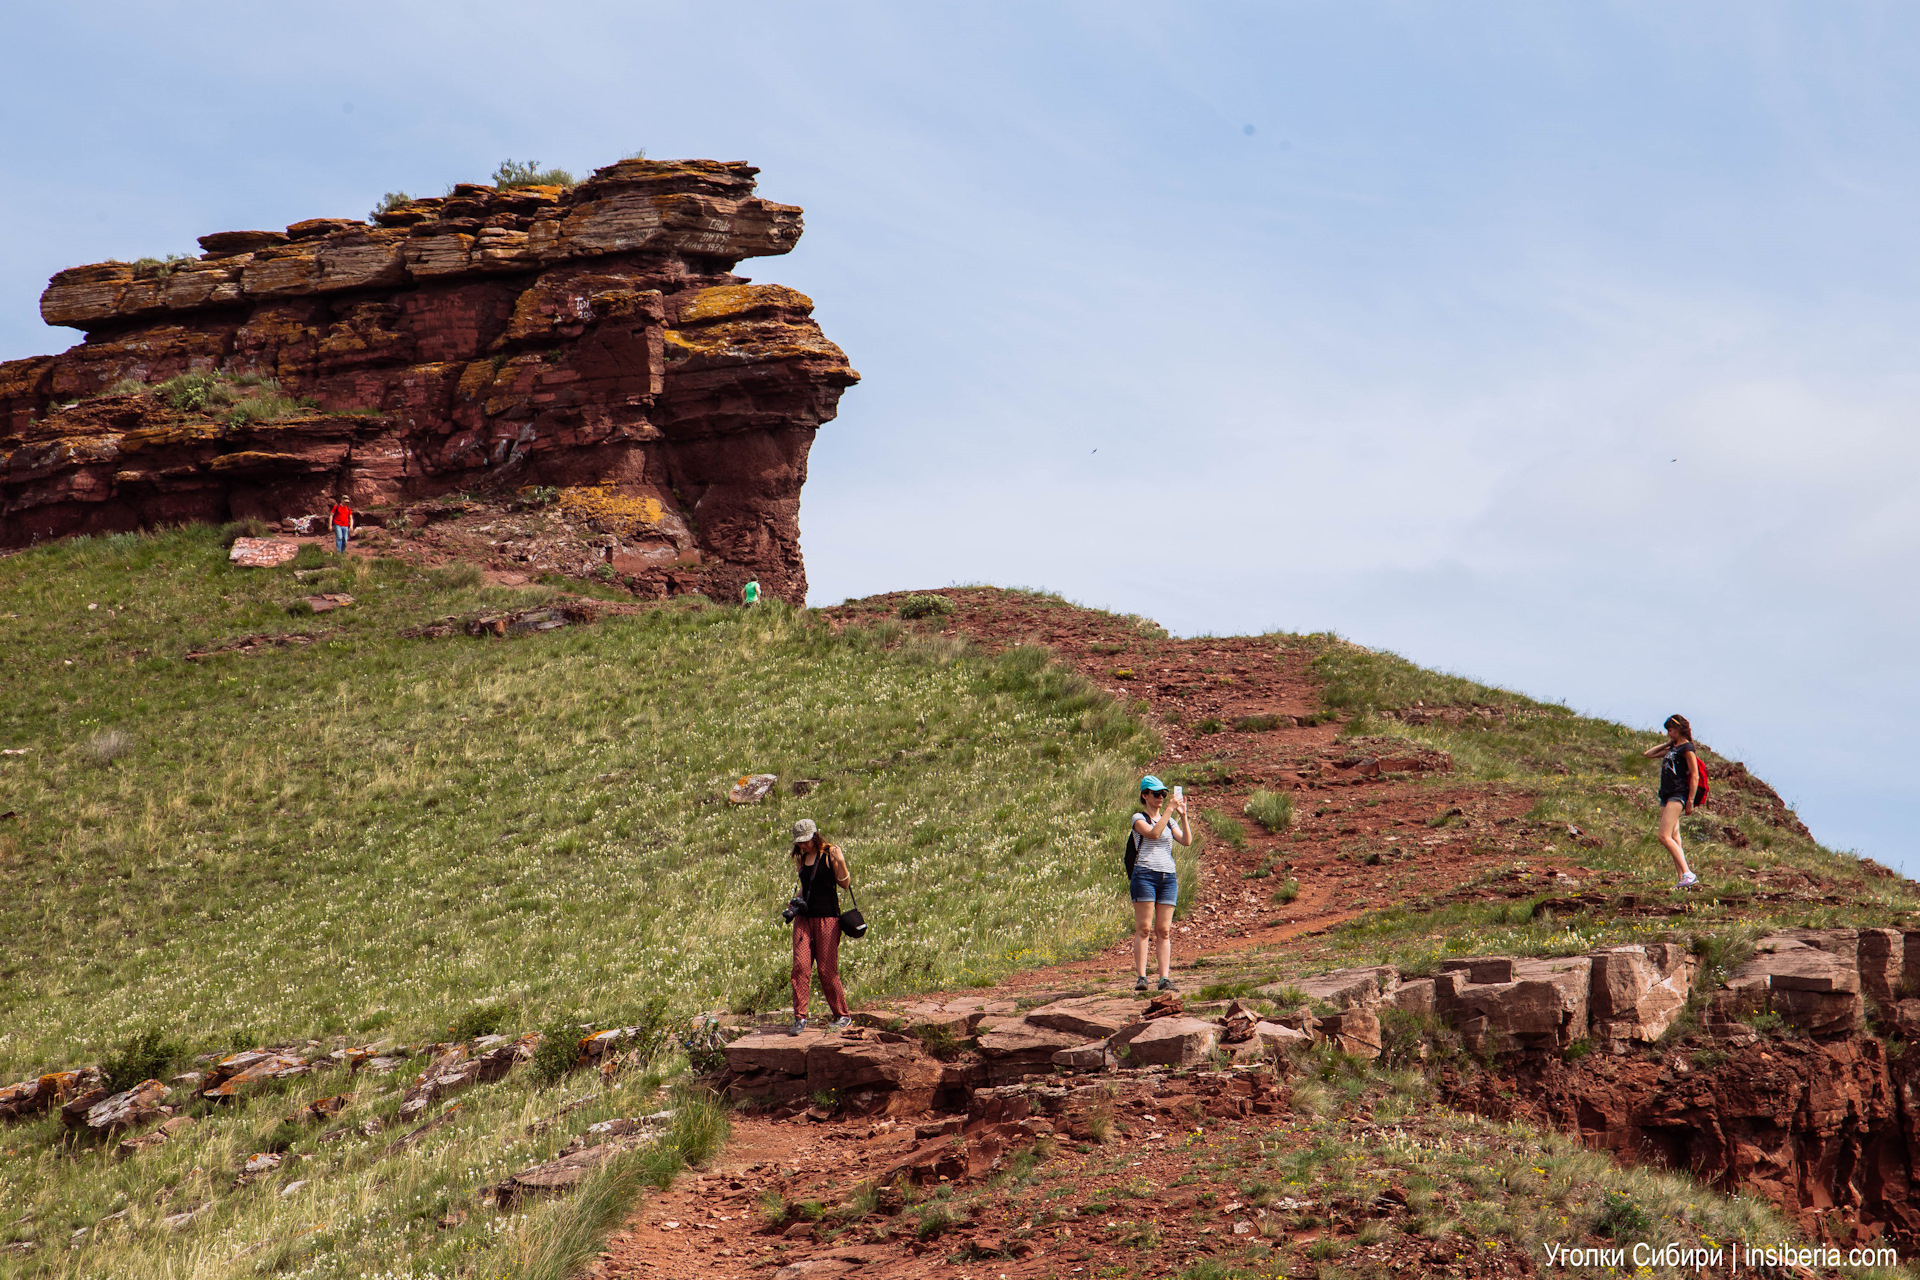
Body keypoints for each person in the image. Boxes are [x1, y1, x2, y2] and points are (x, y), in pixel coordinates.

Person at [788, 818, 853, 1034]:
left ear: (815, 836)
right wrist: (795, 902)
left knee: (827, 969)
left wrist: (840, 861)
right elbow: (805, 888)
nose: (802, 845)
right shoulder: (801, 858)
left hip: (827, 919)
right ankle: (800, 1017)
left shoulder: (829, 855)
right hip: (804, 919)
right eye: (799, 842)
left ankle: (842, 1015)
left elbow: (844, 884)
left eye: (805, 841)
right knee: (800, 967)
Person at [1129, 775, 1190, 992]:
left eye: (1163, 794)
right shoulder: (1139, 818)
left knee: (1164, 930)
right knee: (1144, 928)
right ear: (1145, 795)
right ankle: (1142, 977)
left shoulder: (1170, 819)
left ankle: (1164, 978)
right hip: (1144, 875)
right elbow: (1154, 834)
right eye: (1156, 794)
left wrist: (1182, 816)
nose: (1161, 797)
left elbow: (1186, 840)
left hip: (1167, 877)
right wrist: (1170, 810)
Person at [1641, 714, 1700, 889]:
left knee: (1663, 836)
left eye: (1671, 730)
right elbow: (1648, 754)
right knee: (1674, 837)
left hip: (1677, 794)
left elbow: (1695, 775)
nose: (1669, 733)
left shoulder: (1687, 749)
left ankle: (1688, 874)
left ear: (1679, 729)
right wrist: (1668, 743)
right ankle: (1683, 878)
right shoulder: (1673, 748)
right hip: (1665, 795)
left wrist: (1690, 800)